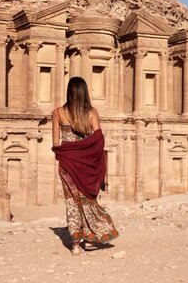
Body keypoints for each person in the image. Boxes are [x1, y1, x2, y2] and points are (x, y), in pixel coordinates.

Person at [51, 77, 119, 255]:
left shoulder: (58, 112)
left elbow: (56, 143)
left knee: (72, 203)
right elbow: (98, 140)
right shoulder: (91, 113)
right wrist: (87, 154)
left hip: (67, 166)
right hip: (86, 165)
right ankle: (89, 240)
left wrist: (67, 154)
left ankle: (75, 245)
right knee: (88, 200)